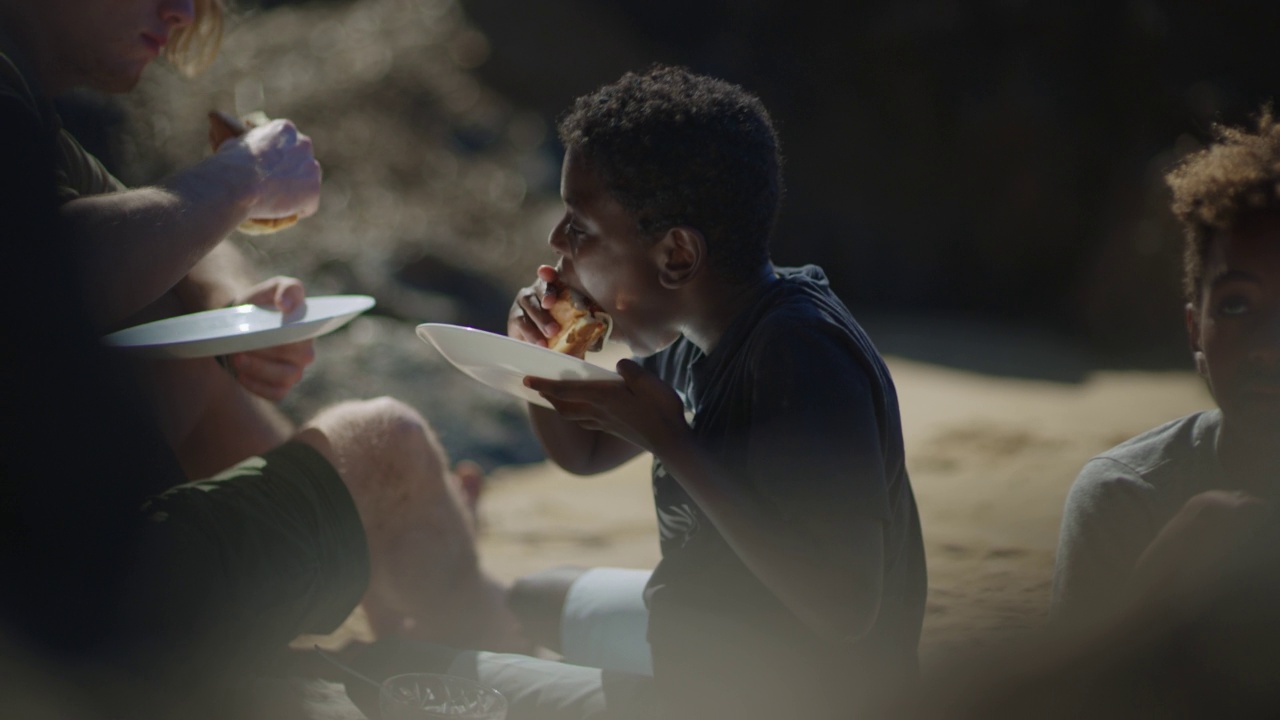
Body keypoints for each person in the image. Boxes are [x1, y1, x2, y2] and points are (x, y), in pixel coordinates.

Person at [336, 64, 928, 720]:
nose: (558, 242)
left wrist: (674, 444)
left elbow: (848, 607)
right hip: (714, 627)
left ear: (676, 254)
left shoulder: (801, 354)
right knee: (533, 596)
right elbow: (584, 455)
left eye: (580, 227)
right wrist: (543, 362)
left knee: (388, 679)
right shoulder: (694, 329)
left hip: (784, 691)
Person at [0, 0, 524, 689]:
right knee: (388, 443)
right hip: (69, 617)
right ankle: (509, 658)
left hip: (62, 582)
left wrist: (232, 302)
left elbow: (157, 232)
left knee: (185, 362)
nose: (183, 12)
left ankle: (395, 558)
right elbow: (45, 275)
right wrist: (236, 176)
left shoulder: (32, 111)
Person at [1051, 106, 1280, 629]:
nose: (1270, 347)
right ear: (1195, 331)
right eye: (1237, 305)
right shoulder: (1128, 501)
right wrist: (1156, 588)